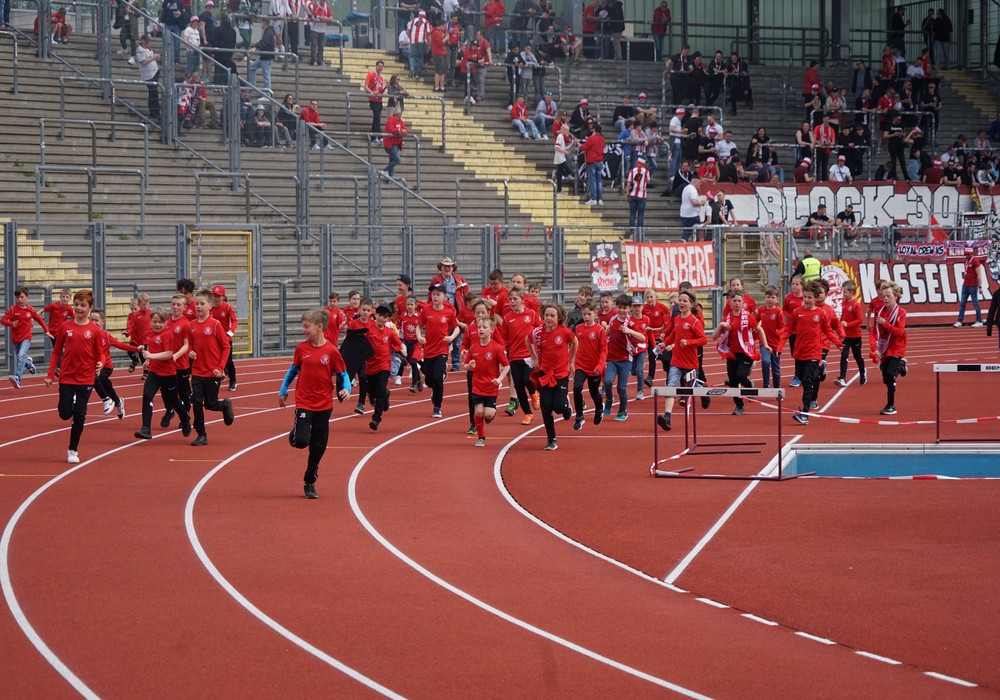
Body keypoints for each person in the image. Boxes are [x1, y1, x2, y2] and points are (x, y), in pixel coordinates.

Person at [278, 309, 350, 499]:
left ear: (319, 327)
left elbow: (343, 373)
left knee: (318, 447)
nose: (304, 330)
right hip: (304, 401)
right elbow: (293, 370)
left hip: (324, 405)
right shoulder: (301, 349)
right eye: (303, 326)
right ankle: (295, 434)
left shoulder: (332, 351)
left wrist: (347, 388)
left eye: (306, 326)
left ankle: (309, 481)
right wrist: (283, 389)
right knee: (301, 441)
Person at [44, 289, 102, 464]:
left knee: (80, 415)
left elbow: (100, 352)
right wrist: (50, 375)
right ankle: (71, 403)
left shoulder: (94, 330)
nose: (78, 308)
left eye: (82, 305)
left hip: (86, 377)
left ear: (89, 308)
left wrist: (101, 362)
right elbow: (56, 352)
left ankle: (73, 449)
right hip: (67, 376)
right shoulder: (65, 327)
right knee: (64, 413)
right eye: (76, 304)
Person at [784, 281, 842, 425]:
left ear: (816, 298)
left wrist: (839, 342)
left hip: (818, 348)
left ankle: (805, 413)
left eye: (810, 297)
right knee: (802, 378)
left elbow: (831, 328)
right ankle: (820, 370)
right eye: (805, 297)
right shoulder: (798, 311)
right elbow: (789, 328)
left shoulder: (824, 312)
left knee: (808, 380)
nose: (807, 300)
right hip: (801, 350)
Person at [133, 307, 192, 440]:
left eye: (160, 322)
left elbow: (168, 354)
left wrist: (151, 356)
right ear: (150, 322)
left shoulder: (167, 334)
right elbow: (151, 347)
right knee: (147, 396)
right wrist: (148, 360)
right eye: (155, 322)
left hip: (168, 374)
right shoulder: (148, 333)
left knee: (174, 400)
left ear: (165, 323)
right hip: (154, 372)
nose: (157, 324)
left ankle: (185, 420)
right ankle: (146, 428)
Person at [188, 288, 235, 445]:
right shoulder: (192, 325)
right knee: (196, 403)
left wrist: (220, 368)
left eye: (202, 304)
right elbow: (190, 344)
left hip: (212, 372)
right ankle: (201, 434)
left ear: (210, 306)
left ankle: (224, 405)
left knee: (210, 404)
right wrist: (189, 352)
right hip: (197, 372)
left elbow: (226, 347)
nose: (198, 306)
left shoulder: (215, 325)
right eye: (197, 304)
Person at [527, 303, 577, 450]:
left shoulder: (564, 331)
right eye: (546, 315)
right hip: (545, 373)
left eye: (552, 316)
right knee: (546, 407)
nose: (549, 318)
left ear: (559, 317)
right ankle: (551, 439)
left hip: (561, 374)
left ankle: (566, 406)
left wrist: (571, 361)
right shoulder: (538, 333)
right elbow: (527, 340)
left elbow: (575, 342)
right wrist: (534, 358)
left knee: (558, 407)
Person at [655, 289, 706, 431]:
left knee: (691, 387)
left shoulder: (694, 322)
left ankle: (704, 391)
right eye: (680, 300)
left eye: (685, 301)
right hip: (676, 361)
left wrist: (689, 342)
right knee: (671, 385)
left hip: (690, 363)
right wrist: (665, 343)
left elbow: (703, 339)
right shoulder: (677, 319)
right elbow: (674, 334)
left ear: (691, 304)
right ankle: (667, 417)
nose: (681, 303)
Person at [712, 289, 767, 415]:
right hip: (732, 353)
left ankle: (748, 385)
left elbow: (759, 329)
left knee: (740, 376)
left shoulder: (748, 317)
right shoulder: (727, 318)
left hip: (746, 353)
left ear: (743, 303)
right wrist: (721, 325)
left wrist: (766, 345)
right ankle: (739, 406)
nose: (737, 303)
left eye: (739, 301)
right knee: (733, 381)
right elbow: (714, 337)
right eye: (734, 301)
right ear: (730, 303)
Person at [460, 316, 510, 447]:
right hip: (477, 385)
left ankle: (491, 416)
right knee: (478, 412)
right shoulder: (473, 348)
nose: (481, 330)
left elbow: (506, 365)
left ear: (492, 330)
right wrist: (469, 365)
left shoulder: (496, 348)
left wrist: (500, 379)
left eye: (484, 327)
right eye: (479, 327)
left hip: (491, 386)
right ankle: (481, 437)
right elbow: (465, 366)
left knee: (488, 414)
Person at [417, 283, 460, 418]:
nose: (435, 297)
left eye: (438, 294)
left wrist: (451, 337)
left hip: (442, 349)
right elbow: (419, 326)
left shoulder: (448, 312)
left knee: (437, 379)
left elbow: (456, 327)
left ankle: (437, 407)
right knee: (429, 381)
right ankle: (435, 391)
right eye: (433, 295)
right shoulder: (426, 311)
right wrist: (419, 336)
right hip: (428, 349)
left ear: (444, 296)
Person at [602, 293, 645, 421]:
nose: (621, 310)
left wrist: (629, 331)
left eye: (624, 308)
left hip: (625, 359)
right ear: (616, 307)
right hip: (612, 358)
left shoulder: (630, 323)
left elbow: (642, 338)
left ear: (629, 308)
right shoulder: (613, 319)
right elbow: (608, 332)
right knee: (607, 381)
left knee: (621, 387)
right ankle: (609, 398)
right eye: (619, 307)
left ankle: (622, 411)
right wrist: (606, 331)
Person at [501, 287, 540, 424]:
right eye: (510, 299)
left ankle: (534, 392)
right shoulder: (507, 318)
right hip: (514, 355)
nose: (512, 301)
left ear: (522, 300)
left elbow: (540, 329)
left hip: (529, 354)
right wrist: (502, 349)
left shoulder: (532, 314)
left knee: (527, 380)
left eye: (515, 299)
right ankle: (527, 413)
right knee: (518, 385)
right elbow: (503, 337)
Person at [365, 304, 405, 431]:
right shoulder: (369, 329)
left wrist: (404, 349)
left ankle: (376, 419)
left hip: (384, 365)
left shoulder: (389, 332)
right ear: (375, 315)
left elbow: (400, 344)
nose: (382, 319)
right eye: (380, 316)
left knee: (380, 390)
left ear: (388, 318)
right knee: (372, 392)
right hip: (370, 366)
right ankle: (385, 395)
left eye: (385, 317)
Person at [3, 286, 51, 388]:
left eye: (22, 297)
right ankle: (28, 363)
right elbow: (3, 320)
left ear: (27, 297)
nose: (19, 299)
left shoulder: (31, 310)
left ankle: (17, 377)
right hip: (16, 339)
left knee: (20, 356)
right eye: (17, 297)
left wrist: (46, 331)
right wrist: (11, 324)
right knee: (21, 358)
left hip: (26, 338)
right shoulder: (13, 309)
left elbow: (40, 320)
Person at [871, 281, 907, 415]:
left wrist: (885, 324)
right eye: (883, 296)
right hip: (884, 347)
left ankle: (891, 405)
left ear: (895, 297)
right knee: (886, 378)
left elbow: (899, 332)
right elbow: (873, 331)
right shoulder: (880, 312)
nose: (885, 299)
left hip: (897, 347)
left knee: (890, 375)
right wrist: (874, 347)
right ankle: (901, 366)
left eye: (888, 296)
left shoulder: (901, 313)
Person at [571, 299, 607, 430]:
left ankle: (599, 408)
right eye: (584, 314)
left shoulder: (599, 330)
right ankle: (579, 416)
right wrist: (570, 361)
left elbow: (604, 350)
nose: (586, 317)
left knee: (593, 393)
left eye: (589, 314)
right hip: (581, 365)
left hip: (594, 367)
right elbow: (574, 346)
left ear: (595, 313)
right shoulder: (578, 328)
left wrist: (600, 365)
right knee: (576, 388)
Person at [833, 280, 866, 388]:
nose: (843, 294)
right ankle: (842, 377)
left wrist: (848, 324)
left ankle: (862, 372)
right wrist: (840, 328)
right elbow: (843, 316)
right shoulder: (844, 303)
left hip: (855, 336)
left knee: (857, 356)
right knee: (844, 355)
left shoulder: (856, 305)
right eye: (843, 292)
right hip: (846, 336)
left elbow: (860, 320)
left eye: (845, 292)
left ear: (851, 292)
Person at [210, 285, 238, 390]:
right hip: (213, 339)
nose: (216, 298)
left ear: (223, 297)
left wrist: (230, 333)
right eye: (214, 296)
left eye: (218, 296)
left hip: (226, 339)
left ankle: (233, 380)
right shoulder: (209, 307)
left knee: (228, 361)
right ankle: (215, 379)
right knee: (213, 360)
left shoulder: (227, 307)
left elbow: (234, 321)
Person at [756, 286, 785, 389]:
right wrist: (754, 328)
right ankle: (766, 384)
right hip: (764, 343)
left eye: (773, 297)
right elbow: (755, 321)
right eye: (768, 297)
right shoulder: (761, 310)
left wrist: (779, 332)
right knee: (766, 362)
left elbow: (783, 326)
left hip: (776, 344)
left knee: (775, 368)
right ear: (765, 298)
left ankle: (777, 388)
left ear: (777, 299)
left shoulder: (778, 312)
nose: (770, 300)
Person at [955, 246, 985, 327]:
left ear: (971, 254)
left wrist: (980, 286)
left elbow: (979, 274)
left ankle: (979, 320)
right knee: (962, 303)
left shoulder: (975, 261)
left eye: (968, 254)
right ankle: (959, 321)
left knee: (975, 303)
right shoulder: (966, 261)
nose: (966, 256)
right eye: (965, 254)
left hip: (973, 285)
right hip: (965, 284)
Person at [135, 34, 161, 121]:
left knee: (155, 92)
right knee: (153, 92)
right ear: (142, 40)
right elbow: (144, 62)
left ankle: (156, 110)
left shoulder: (148, 48)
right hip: (148, 75)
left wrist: (155, 58)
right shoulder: (140, 49)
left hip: (154, 72)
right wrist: (153, 58)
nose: (147, 43)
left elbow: (151, 58)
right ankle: (153, 112)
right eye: (146, 41)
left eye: (148, 41)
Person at [580, 121, 606, 205]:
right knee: (599, 181)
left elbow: (583, 147)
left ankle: (593, 198)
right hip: (599, 161)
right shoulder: (602, 139)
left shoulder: (591, 138)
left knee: (592, 180)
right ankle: (600, 199)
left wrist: (578, 144)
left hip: (592, 161)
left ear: (594, 130)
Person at [248, 17, 276, 90]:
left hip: (266, 57)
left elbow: (264, 42)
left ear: (264, 23)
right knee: (252, 68)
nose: (261, 24)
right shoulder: (268, 31)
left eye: (261, 22)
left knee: (266, 75)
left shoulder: (268, 32)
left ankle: (267, 93)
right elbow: (263, 41)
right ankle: (253, 86)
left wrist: (256, 47)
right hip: (264, 57)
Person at [382, 102, 408, 178]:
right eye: (400, 113)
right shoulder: (391, 119)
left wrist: (404, 131)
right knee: (397, 159)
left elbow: (405, 129)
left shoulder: (400, 121)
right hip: (390, 144)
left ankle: (391, 176)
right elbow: (391, 129)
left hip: (396, 144)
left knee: (392, 160)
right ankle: (384, 171)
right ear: (397, 114)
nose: (401, 114)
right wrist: (400, 131)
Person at [625, 156, 651, 233]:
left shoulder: (632, 171)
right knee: (640, 215)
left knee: (632, 214)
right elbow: (648, 181)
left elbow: (628, 184)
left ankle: (632, 232)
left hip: (633, 194)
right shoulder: (646, 171)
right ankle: (639, 233)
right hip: (642, 195)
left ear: (637, 163)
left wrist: (627, 195)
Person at [365, 60, 387, 142]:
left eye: (382, 67)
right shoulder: (370, 74)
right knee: (377, 116)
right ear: (376, 66)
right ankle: (379, 136)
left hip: (379, 100)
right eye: (379, 66)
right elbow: (365, 86)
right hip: (373, 99)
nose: (380, 68)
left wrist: (385, 87)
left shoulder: (381, 78)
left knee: (377, 118)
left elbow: (381, 91)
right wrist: (372, 93)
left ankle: (374, 137)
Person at [679, 175, 705, 242]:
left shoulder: (686, 188)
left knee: (686, 232)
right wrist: (701, 203)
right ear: (695, 181)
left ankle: (684, 243)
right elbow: (694, 202)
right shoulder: (693, 190)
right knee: (695, 233)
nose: (700, 184)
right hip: (692, 215)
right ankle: (696, 244)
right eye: (699, 182)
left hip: (684, 214)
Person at [307, 0, 332, 66]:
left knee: (321, 46)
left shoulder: (327, 7)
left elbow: (331, 18)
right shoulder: (315, 6)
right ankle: (314, 60)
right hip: (314, 29)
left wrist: (324, 18)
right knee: (314, 45)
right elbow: (317, 16)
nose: (323, 1)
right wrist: (326, 18)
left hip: (322, 30)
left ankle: (320, 61)